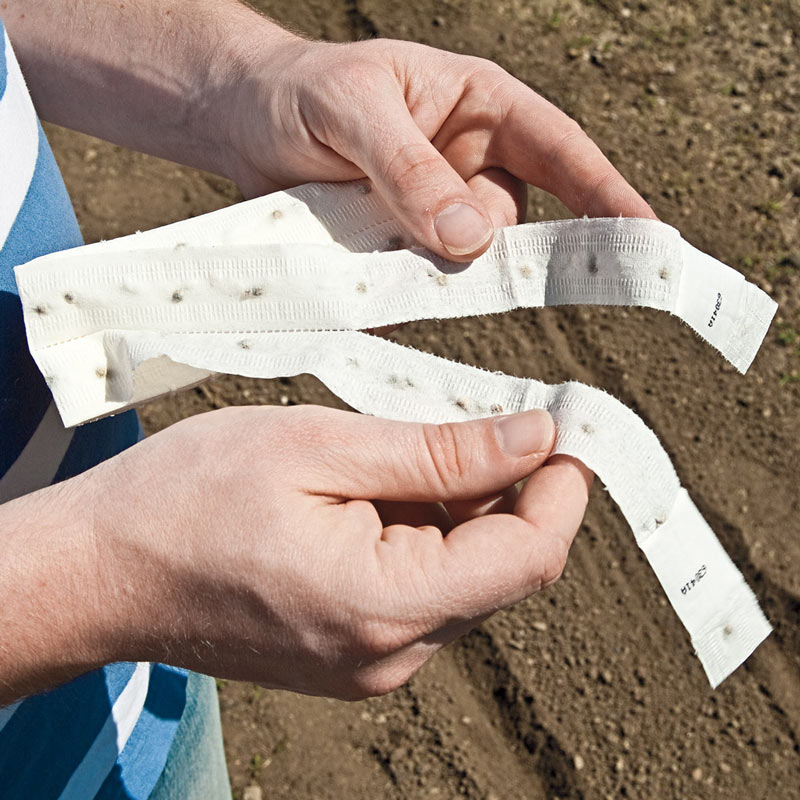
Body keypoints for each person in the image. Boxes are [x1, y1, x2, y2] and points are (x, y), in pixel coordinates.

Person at [0, 1, 655, 796]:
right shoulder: (114, 577)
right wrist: (99, 574)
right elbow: (103, 573)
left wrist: (236, 78)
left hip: (132, 709)